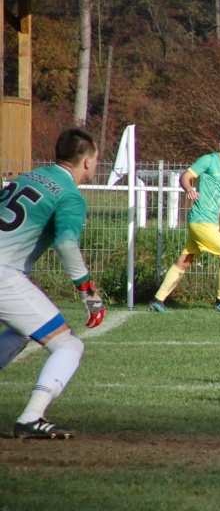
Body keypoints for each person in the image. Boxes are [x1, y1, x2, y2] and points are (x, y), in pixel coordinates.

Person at [0, 128, 106, 439]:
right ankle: (32, 417)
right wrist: (87, 290)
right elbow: (66, 244)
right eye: (96, 159)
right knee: (69, 345)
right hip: (3, 275)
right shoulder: (69, 194)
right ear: (86, 162)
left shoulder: (24, 178)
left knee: (21, 332)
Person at [150, 127, 220, 314]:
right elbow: (186, 176)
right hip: (199, 220)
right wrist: (188, 188)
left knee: (184, 261)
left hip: (211, 223)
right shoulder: (209, 160)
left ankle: (157, 300)